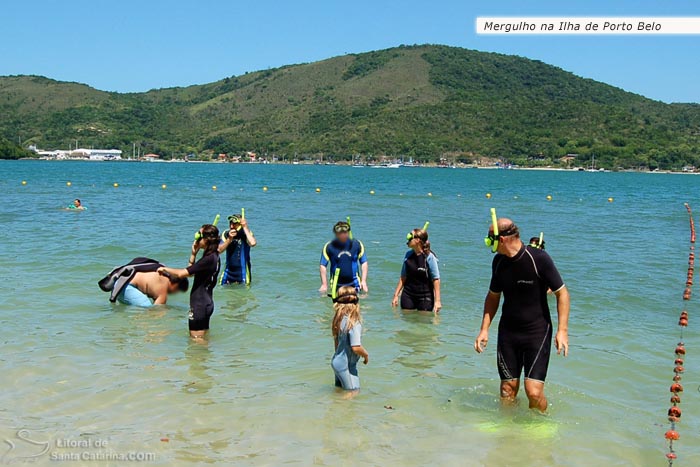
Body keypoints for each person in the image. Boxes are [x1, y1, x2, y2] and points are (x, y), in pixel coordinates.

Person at [474, 218, 570, 412]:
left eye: (489, 239)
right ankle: (508, 431)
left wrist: (562, 331)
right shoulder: (499, 262)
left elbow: (562, 293)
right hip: (508, 331)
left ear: (501, 239)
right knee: (507, 389)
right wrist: (484, 329)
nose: (487, 243)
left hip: (537, 331)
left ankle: (541, 424)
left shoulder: (538, 259)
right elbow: (493, 297)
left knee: (533, 392)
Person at [157, 224, 221, 339]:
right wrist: (193, 254)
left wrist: (164, 269)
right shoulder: (215, 256)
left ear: (206, 239)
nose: (196, 239)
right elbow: (191, 273)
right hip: (207, 303)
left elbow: (182, 273)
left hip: (199, 305)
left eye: (198, 236)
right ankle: (205, 357)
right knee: (202, 338)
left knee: (196, 339)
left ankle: (197, 357)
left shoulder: (207, 260)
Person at [98, 257, 189, 307]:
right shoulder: (163, 289)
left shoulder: (162, 272)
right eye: (177, 291)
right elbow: (157, 312)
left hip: (119, 286)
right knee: (148, 309)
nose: (173, 293)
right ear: (176, 285)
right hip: (126, 288)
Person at [391, 228, 442, 313]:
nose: (408, 238)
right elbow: (403, 277)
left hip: (425, 297)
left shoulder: (429, 257)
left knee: (423, 325)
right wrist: (396, 295)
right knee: (407, 323)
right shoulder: (408, 255)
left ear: (418, 240)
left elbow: (436, 279)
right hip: (408, 295)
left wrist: (437, 301)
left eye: (411, 236)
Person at [331, 286, 369, 392]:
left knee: (339, 392)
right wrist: (366, 355)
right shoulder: (354, 322)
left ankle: (334, 408)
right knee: (353, 392)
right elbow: (356, 347)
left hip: (336, 361)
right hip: (346, 366)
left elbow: (336, 343)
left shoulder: (338, 319)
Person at [319, 221, 368, 299]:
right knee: (337, 308)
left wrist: (364, 281)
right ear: (336, 233)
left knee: (356, 307)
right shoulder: (329, 246)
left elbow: (364, 262)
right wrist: (324, 284)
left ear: (348, 232)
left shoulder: (357, 245)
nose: (342, 235)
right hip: (336, 284)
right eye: (340, 233)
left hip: (355, 284)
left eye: (344, 232)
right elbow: (323, 265)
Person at [218, 213, 257, 285]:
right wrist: (229, 239)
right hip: (228, 273)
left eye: (234, 224)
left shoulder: (246, 234)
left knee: (243, 294)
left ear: (240, 224)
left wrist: (245, 227)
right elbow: (219, 250)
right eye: (230, 223)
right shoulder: (226, 234)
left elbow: (253, 243)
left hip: (243, 274)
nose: (231, 226)